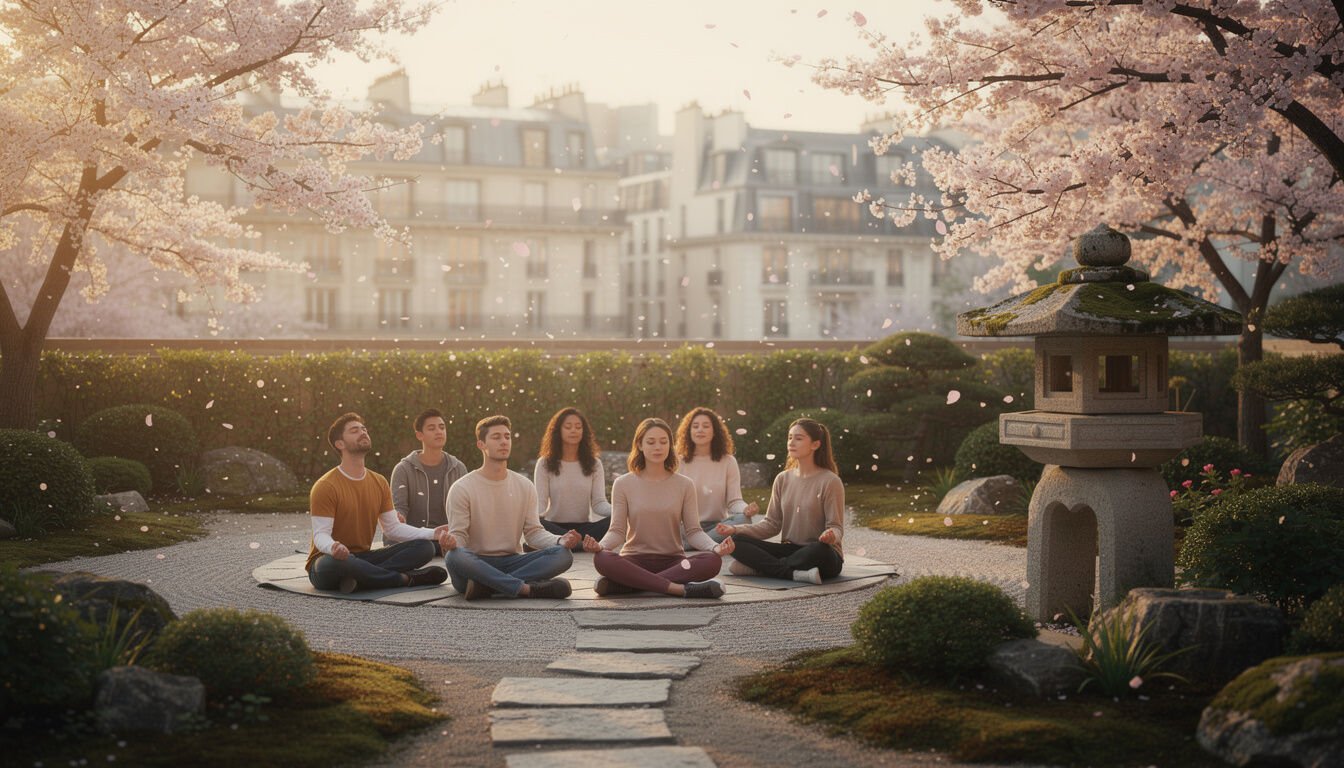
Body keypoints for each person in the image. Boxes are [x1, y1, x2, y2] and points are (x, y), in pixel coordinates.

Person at [582, 417, 732, 599]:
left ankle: (628, 585)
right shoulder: (623, 484)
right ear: (640, 444)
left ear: (671, 445)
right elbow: (617, 531)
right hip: (633, 561)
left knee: (712, 561)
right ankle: (679, 589)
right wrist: (601, 546)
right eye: (651, 442)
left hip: (674, 563)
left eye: (663, 442)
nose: (658, 447)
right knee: (602, 558)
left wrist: (715, 547)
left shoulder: (684, 484)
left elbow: (693, 531)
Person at [306, 412, 451, 594]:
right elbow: (320, 535)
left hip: (365, 558)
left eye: (364, 429)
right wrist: (333, 547)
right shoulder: (325, 486)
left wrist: (433, 533)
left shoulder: (379, 481)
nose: (363, 432)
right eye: (354, 430)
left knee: (424, 547)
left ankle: (365, 578)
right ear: (339, 444)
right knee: (332, 564)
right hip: (330, 560)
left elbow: (392, 529)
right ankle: (404, 579)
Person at [443, 415, 578, 600]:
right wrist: (450, 544)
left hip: (513, 562)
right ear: (481, 444)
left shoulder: (524, 485)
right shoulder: (462, 488)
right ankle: (525, 589)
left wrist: (560, 540)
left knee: (563, 555)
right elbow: (459, 536)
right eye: (496, 437)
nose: (504, 442)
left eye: (507, 437)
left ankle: (487, 587)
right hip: (476, 563)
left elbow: (533, 533)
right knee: (454, 557)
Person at [717, 417, 844, 585]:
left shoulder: (830, 481)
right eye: (790, 437)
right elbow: (771, 525)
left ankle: (759, 568)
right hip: (790, 551)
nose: (791, 442)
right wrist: (734, 528)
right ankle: (793, 574)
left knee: (819, 551)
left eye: (798, 438)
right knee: (736, 541)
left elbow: (836, 527)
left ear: (815, 444)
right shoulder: (782, 479)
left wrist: (830, 536)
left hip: (821, 553)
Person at [386, 408, 467, 550]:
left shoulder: (458, 468)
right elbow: (399, 509)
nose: (439, 431)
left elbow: (466, 511)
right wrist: (399, 517)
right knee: (423, 548)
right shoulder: (403, 469)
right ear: (419, 435)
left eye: (442, 427)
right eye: (432, 428)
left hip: (448, 538)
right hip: (416, 539)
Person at [675, 406, 759, 543]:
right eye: (695, 426)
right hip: (687, 527)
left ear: (714, 431)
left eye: (706, 426)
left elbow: (734, 501)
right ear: (688, 432)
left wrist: (745, 509)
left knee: (744, 519)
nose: (700, 430)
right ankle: (705, 543)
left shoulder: (728, 461)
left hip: (716, 526)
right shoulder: (679, 461)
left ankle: (695, 544)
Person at [533, 407, 612, 550]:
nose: (573, 430)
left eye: (578, 427)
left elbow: (599, 503)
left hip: (585, 529)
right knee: (535, 523)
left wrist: (621, 511)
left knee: (615, 521)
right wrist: (529, 519)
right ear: (558, 431)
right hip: (554, 527)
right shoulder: (544, 463)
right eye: (568, 427)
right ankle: (578, 544)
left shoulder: (594, 463)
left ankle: (572, 544)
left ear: (584, 431)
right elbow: (541, 503)